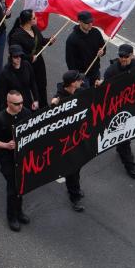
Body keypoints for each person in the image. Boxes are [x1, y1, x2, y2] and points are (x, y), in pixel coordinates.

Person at [0, 90, 31, 232]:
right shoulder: (0, 119)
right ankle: (11, 217)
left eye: (22, 103)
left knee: (21, 185)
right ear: (8, 103)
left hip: (21, 155)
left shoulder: (25, 113)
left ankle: (19, 212)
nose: (20, 106)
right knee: (13, 187)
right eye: (17, 104)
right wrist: (6, 145)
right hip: (6, 157)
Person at [102, 43, 135, 179]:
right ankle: (130, 166)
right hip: (118, 109)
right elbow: (105, 92)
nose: (123, 59)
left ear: (132, 55)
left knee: (127, 135)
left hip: (132, 106)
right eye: (121, 56)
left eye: (126, 56)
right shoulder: (111, 71)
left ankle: (121, 147)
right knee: (124, 135)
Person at [51, 70, 88, 212]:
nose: (82, 82)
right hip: (66, 141)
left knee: (77, 167)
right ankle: (74, 197)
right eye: (79, 80)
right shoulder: (59, 100)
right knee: (71, 168)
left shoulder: (80, 91)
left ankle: (75, 188)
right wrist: (53, 106)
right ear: (72, 83)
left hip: (78, 136)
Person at [8, 9, 50, 107]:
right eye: (34, 18)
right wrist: (29, 58)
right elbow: (15, 53)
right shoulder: (16, 36)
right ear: (28, 21)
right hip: (26, 65)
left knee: (42, 85)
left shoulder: (35, 28)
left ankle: (43, 107)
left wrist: (49, 41)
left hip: (38, 63)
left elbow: (41, 41)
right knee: (28, 87)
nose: (36, 19)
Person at [65, 11, 105, 87]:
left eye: (91, 21)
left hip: (95, 71)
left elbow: (102, 46)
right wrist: (76, 78)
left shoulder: (96, 32)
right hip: (82, 75)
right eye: (87, 22)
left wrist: (102, 51)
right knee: (86, 95)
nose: (90, 24)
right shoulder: (72, 39)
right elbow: (70, 61)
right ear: (79, 22)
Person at [0, 44, 38, 111]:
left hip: (27, 103)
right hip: (14, 106)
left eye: (20, 55)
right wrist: (3, 114)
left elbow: (33, 83)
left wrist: (36, 100)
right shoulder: (5, 73)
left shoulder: (27, 65)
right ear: (10, 57)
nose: (18, 58)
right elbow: (2, 96)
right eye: (15, 56)